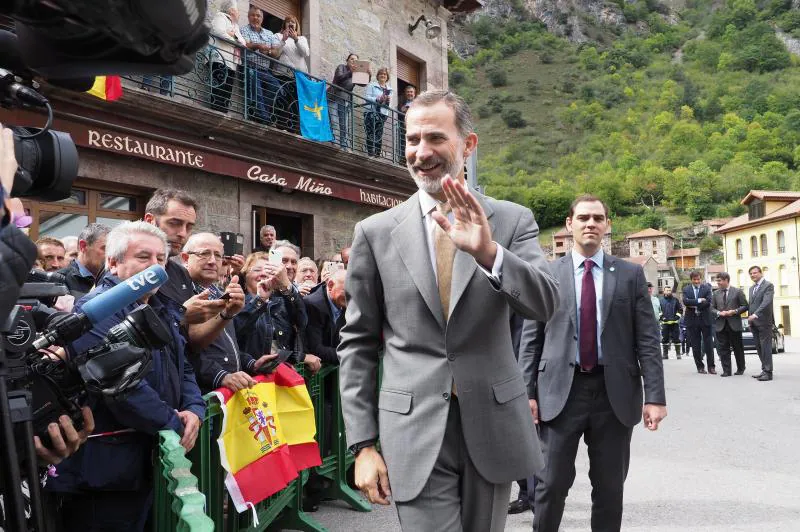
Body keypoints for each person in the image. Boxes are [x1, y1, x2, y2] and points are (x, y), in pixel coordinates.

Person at [338, 90, 559, 531]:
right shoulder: (375, 233)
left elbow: (546, 304)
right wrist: (361, 444)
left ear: (468, 145)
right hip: (413, 430)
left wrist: (490, 253)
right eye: (413, 139)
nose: (422, 153)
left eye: (436, 138)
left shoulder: (511, 221)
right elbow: (358, 343)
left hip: (492, 425)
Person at [521, 194, 666, 532]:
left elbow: (647, 338)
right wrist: (526, 392)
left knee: (610, 488)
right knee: (551, 484)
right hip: (558, 393)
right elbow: (531, 339)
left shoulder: (629, 275)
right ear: (569, 224)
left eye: (598, 218)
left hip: (613, 394)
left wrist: (655, 396)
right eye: (583, 218)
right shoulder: (546, 273)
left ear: (607, 226)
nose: (591, 224)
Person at [48, 221, 205, 532]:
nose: (156, 267)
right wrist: (175, 425)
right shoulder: (94, 310)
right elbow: (124, 388)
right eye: (144, 257)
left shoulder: (161, 307)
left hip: (147, 464)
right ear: (113, 262)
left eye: (161, 259)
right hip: (105, 474)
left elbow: (183, 366)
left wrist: (195, 411)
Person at [144, 188, 240, 351]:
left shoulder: (181, 274)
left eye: (189, 226)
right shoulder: (126, 269)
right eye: (174, 223)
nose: (182, 233)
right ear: (149, 221)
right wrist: (180, 315)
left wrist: (226, 313)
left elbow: (190, 345)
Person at [181, 233, 276, 393]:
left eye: (218, 256)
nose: (212, 261)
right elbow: (185, 352)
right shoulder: (181, 293)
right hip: (202, 397)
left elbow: (227, 345)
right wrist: (221, 376)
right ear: (185, 258)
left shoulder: (218, 292)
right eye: (204, 254)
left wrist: (251, 363)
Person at [234, 252, 317, 373]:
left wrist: (287, 286)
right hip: (249, 377)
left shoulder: (278, 303)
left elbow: (301, 321)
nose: (263, 273)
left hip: (278, 375)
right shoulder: (237, 303)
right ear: (245, 275)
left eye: (267, 270)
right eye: (257, 269)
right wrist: (258, 301)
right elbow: (234, 338)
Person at [240, 5, 282, 123]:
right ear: (248, 17)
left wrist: (268, 51)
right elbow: (245, 45)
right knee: (257, 91)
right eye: (253, 15)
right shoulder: (244, 30)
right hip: (250, 67)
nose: (255, 18)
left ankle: (262, 114)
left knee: (277, 87)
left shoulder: (269, 33)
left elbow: (276, 52)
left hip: (265, 70)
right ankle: (263, 117)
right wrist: (258, 46)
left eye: (258, 16)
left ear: (262, 19)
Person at [209, 1, 247, 114]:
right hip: (220, 58)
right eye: (237, 10)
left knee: (227, 91)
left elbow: (243, 42)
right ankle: (216, 112)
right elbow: (219, 32)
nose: (239, 13)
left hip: (231, 63)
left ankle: (223, 112)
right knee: (218, 88)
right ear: (231, 11)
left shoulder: (235, 26)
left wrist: (233, 36)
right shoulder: (221, 16)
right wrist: (234, 41)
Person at [303, 269, 346, 366]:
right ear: (330, 285)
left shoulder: (344, 304)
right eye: (347, 291)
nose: (352, 297)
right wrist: (350, 355)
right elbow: (315, 349)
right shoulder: (313, 305)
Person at [711, 272, 748, 377]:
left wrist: (734, 311)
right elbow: (711, 308)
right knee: (723, 349)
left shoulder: (737, 292)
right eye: (717, 281)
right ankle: (726, 370)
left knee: (738, 348)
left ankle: (741, 368)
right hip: (721, 325)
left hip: (734, 324)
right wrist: (718, 312)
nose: (718, 283)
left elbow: (745, 306)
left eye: (719, 281)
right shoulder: (715, 293)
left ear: (726, 280)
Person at [59, 223, 110, 299]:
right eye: (105, 249)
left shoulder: (114, 279)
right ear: (83, 246)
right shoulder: (60, 281)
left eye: (112, 250)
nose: (110, 255)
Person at [682, 271, 716, 374]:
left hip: (705, 319)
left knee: (709, 344)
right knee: (695, 345)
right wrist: (699, 300)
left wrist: (693, 303)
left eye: (698, 279)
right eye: (694, 279)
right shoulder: (686, 289)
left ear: (701, 279)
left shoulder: (706, 288)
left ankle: (711, 367)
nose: (696, 281)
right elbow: (685, 302)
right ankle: (700, 367)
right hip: (692, 320)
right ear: (691, 280)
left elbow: (708, 302)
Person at [747, 265, 775, 381]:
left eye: (755, 273)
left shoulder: (768, 286)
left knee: (766, 347)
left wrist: (755, 314)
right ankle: (764, 370)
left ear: (761, 273)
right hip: (753, 323)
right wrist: (750, 319)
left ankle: (768, 372)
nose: (753, 275)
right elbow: (751, 305)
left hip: (764, 322)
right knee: (759, 348)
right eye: (751, 274)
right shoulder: (751, 288)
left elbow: (766, 302)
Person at [331, 53, 358, 150]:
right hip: (333, 97)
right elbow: (339, 78)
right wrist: (350, 72)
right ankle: (332, 140)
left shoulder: (356, 74)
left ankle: (343, 144)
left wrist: (369, 74)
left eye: (356, 60)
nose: (353, 61)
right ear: (347, 60)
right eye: (351, 59)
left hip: (345, 100)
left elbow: (363, 84)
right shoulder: (341, 67)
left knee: (344, 124)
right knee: (334, 120)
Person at [364, 67, 392, 157]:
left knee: (379, 132)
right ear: (378, 76)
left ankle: (377, 153)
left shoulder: (390, 90)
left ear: (387, 77)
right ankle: (370, 152)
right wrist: (377, 99)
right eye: (381, 74)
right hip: (371, 112)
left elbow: (390, 105)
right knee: (370, 131)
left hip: (382, 113)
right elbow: (367, 98)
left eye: (384, 74)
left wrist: (387, 101)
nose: (383, 75)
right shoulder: (372, 85)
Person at [659, 285, 683, 360]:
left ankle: (678, 354)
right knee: (665, 339)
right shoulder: (660, 300)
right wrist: (662, 317)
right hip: (665, 323)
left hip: (674, 322)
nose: (668, 291)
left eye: (670, 290)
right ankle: (665, 354)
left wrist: (677, 317)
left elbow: (680, 309)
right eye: (667, 290)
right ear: (664, 291)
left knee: (676, 338)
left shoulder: (675, 300)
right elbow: (659, 311)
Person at [397, 84, 416, 162]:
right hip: (403, 128)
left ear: (414, 94)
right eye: (408, 92)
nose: (409, 93)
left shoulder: (419, 104)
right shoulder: (401, 104)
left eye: (411, 92)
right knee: (403, 144)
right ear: (405, 93)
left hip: (414, 129)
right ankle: (403, 160)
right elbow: (397, 115)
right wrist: (401, 110)